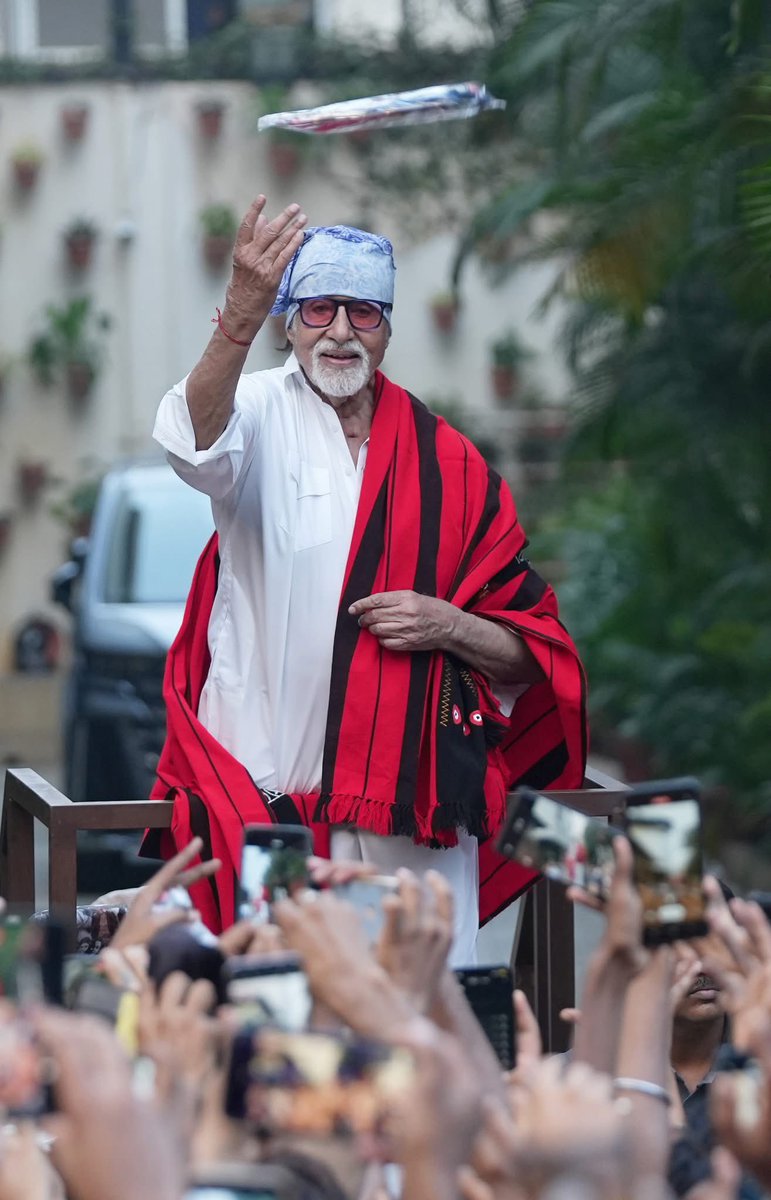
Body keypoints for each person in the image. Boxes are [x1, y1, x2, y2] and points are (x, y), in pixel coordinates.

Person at [146, 196, 588, 959]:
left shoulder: (447, 461)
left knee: (422, 1018)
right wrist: (239, 313)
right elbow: (191, 442)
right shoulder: (256, 410)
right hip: (267, 806)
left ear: (387, 329)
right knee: (281, 1016)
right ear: (290, 322)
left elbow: (534, 655)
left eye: (364, 313)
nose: (341, 331)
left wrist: (448, 625)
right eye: (319, 309)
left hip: (413, 822)